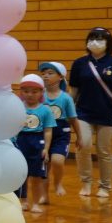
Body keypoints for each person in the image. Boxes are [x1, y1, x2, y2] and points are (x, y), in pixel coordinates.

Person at [69, 27, 112, 199]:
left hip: (107, 113)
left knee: (104, 150)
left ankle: (105, 186)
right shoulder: (79, 63)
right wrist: (68, 109)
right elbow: (74, 90)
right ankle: (86, 182)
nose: (95, 42)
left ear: (108, 43)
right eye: (92, 38)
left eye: (100, 39)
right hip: (83, 112)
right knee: (84, 145)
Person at [14, 74, 54, 214]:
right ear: (21, 92)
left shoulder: (45, 110)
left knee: (36, 176)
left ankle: (35, 203)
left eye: (34, 91)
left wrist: (46, 149)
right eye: (26, 91)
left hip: (37, 143)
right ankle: (23, 201)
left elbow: (48, 130)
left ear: (41, 92)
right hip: (21, 141)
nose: (30, 94)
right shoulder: (17, 107)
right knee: (20, 175)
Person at [38, 61, 77, 202]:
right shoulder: (39, 96)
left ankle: (58, 183)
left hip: (61, 133)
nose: (45, 76)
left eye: (50, 73)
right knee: (43, 167)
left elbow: (73, 119)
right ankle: (44, 195)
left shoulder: (65, 98)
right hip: (42, 133)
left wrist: (80, 136)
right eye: (43, 74)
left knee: (57, 161)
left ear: (60, 77)